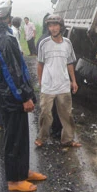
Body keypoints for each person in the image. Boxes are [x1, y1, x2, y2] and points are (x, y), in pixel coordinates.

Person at [0, 0, 46, 192]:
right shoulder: (3, 38)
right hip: (11, 99)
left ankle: (23, 171)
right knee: (13, 140)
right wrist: (25, 96)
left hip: (6, 96)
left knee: (21, 136)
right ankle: (13, 181)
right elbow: (12, 73)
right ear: (8, 14)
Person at [34, 14, 81, 148]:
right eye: (50, 26)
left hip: (63, 85)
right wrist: (41, 81)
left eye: (55, 25)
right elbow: (40, 64)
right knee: (45, 114)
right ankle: (41, 138)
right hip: (48, 86)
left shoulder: (67, 43)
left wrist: (73, 81)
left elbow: (70, 63)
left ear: (61, 27)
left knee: (66, 114)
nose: (53, 28)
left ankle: (68, 139)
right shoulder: (44, 43)